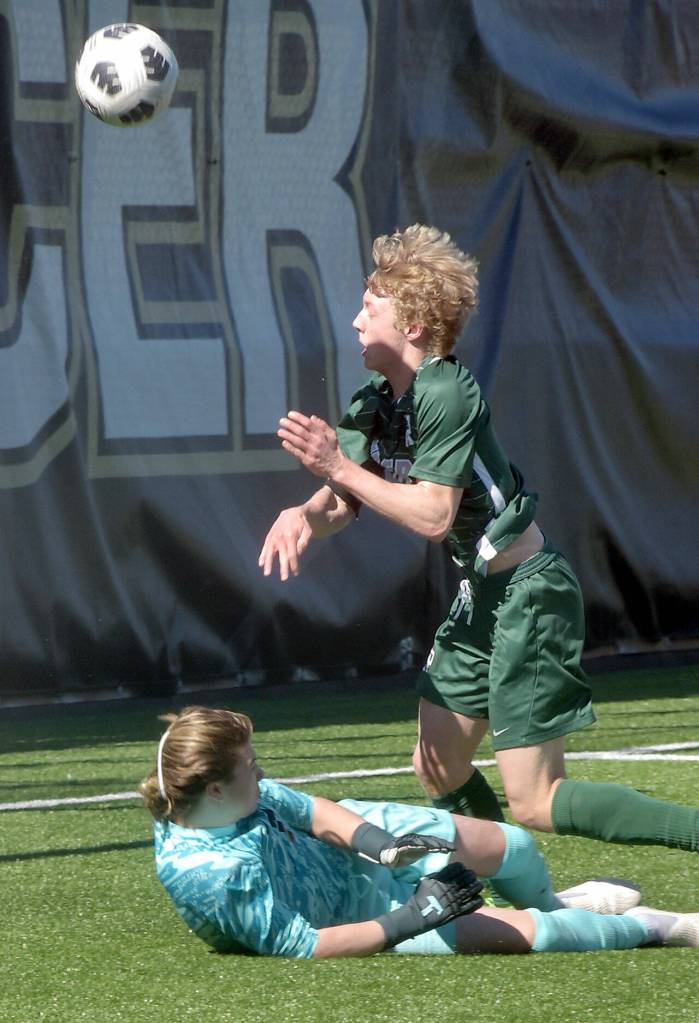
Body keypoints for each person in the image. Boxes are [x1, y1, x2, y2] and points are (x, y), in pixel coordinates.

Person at [258, 224, 699, 854]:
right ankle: (509, 891)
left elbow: (434, 516)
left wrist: (336, 469)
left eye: (370, 308)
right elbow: (344, 498)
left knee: (536, 800)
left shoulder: (445, 388)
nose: (355, 321)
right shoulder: (378, 400)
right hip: (481, 593)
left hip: (529, 591)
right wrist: (304, 513)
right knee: (437, 764)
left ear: (412, 325)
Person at [141, 706, 699, 958]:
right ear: (215, 790)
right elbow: (306, 946)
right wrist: (413, 917)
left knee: (515, 845)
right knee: (541, 936)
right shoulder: (212, 877)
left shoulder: (228, 797)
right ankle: (658, 927)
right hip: (349, 919)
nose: (262, 772)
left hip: (354, 850)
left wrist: (384, 847)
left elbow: (316, 813)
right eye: (251, 766)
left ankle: (559, 901)